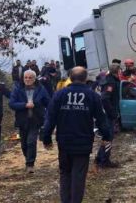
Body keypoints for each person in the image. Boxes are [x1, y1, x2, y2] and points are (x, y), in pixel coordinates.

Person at [41, 66, 112, 203]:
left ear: (70, 78)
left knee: (65, 173)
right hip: (83, 142)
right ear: (85, 79)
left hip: (64, 142)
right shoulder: (92, 96)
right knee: (78, 175)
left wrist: (46, 138)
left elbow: (50, 118)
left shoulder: (59, 95)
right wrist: (106, 136)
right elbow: (101, 119)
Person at [9, 70, 50, 173]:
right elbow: (12, 104)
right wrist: (24, 105)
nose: (27, 79)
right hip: (22, 120)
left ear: (34, 79)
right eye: (25, 77)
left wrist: (48, 116)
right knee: (24, 144)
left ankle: (30, 164)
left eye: (30, 77)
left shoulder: (40, 89)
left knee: (31, 141)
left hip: (36, 120)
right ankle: (28, 159)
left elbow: (48, 103)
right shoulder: (17, 89)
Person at [96, 63, 121, 167]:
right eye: (120, 70)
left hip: (106, 113)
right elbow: (105, 98)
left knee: (106, 137)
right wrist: (112, 113)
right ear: (117, 71)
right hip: (107, 115)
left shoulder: (110, 80)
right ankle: (104, 161)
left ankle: (99, 158)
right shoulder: (110, 82)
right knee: (108, 137)